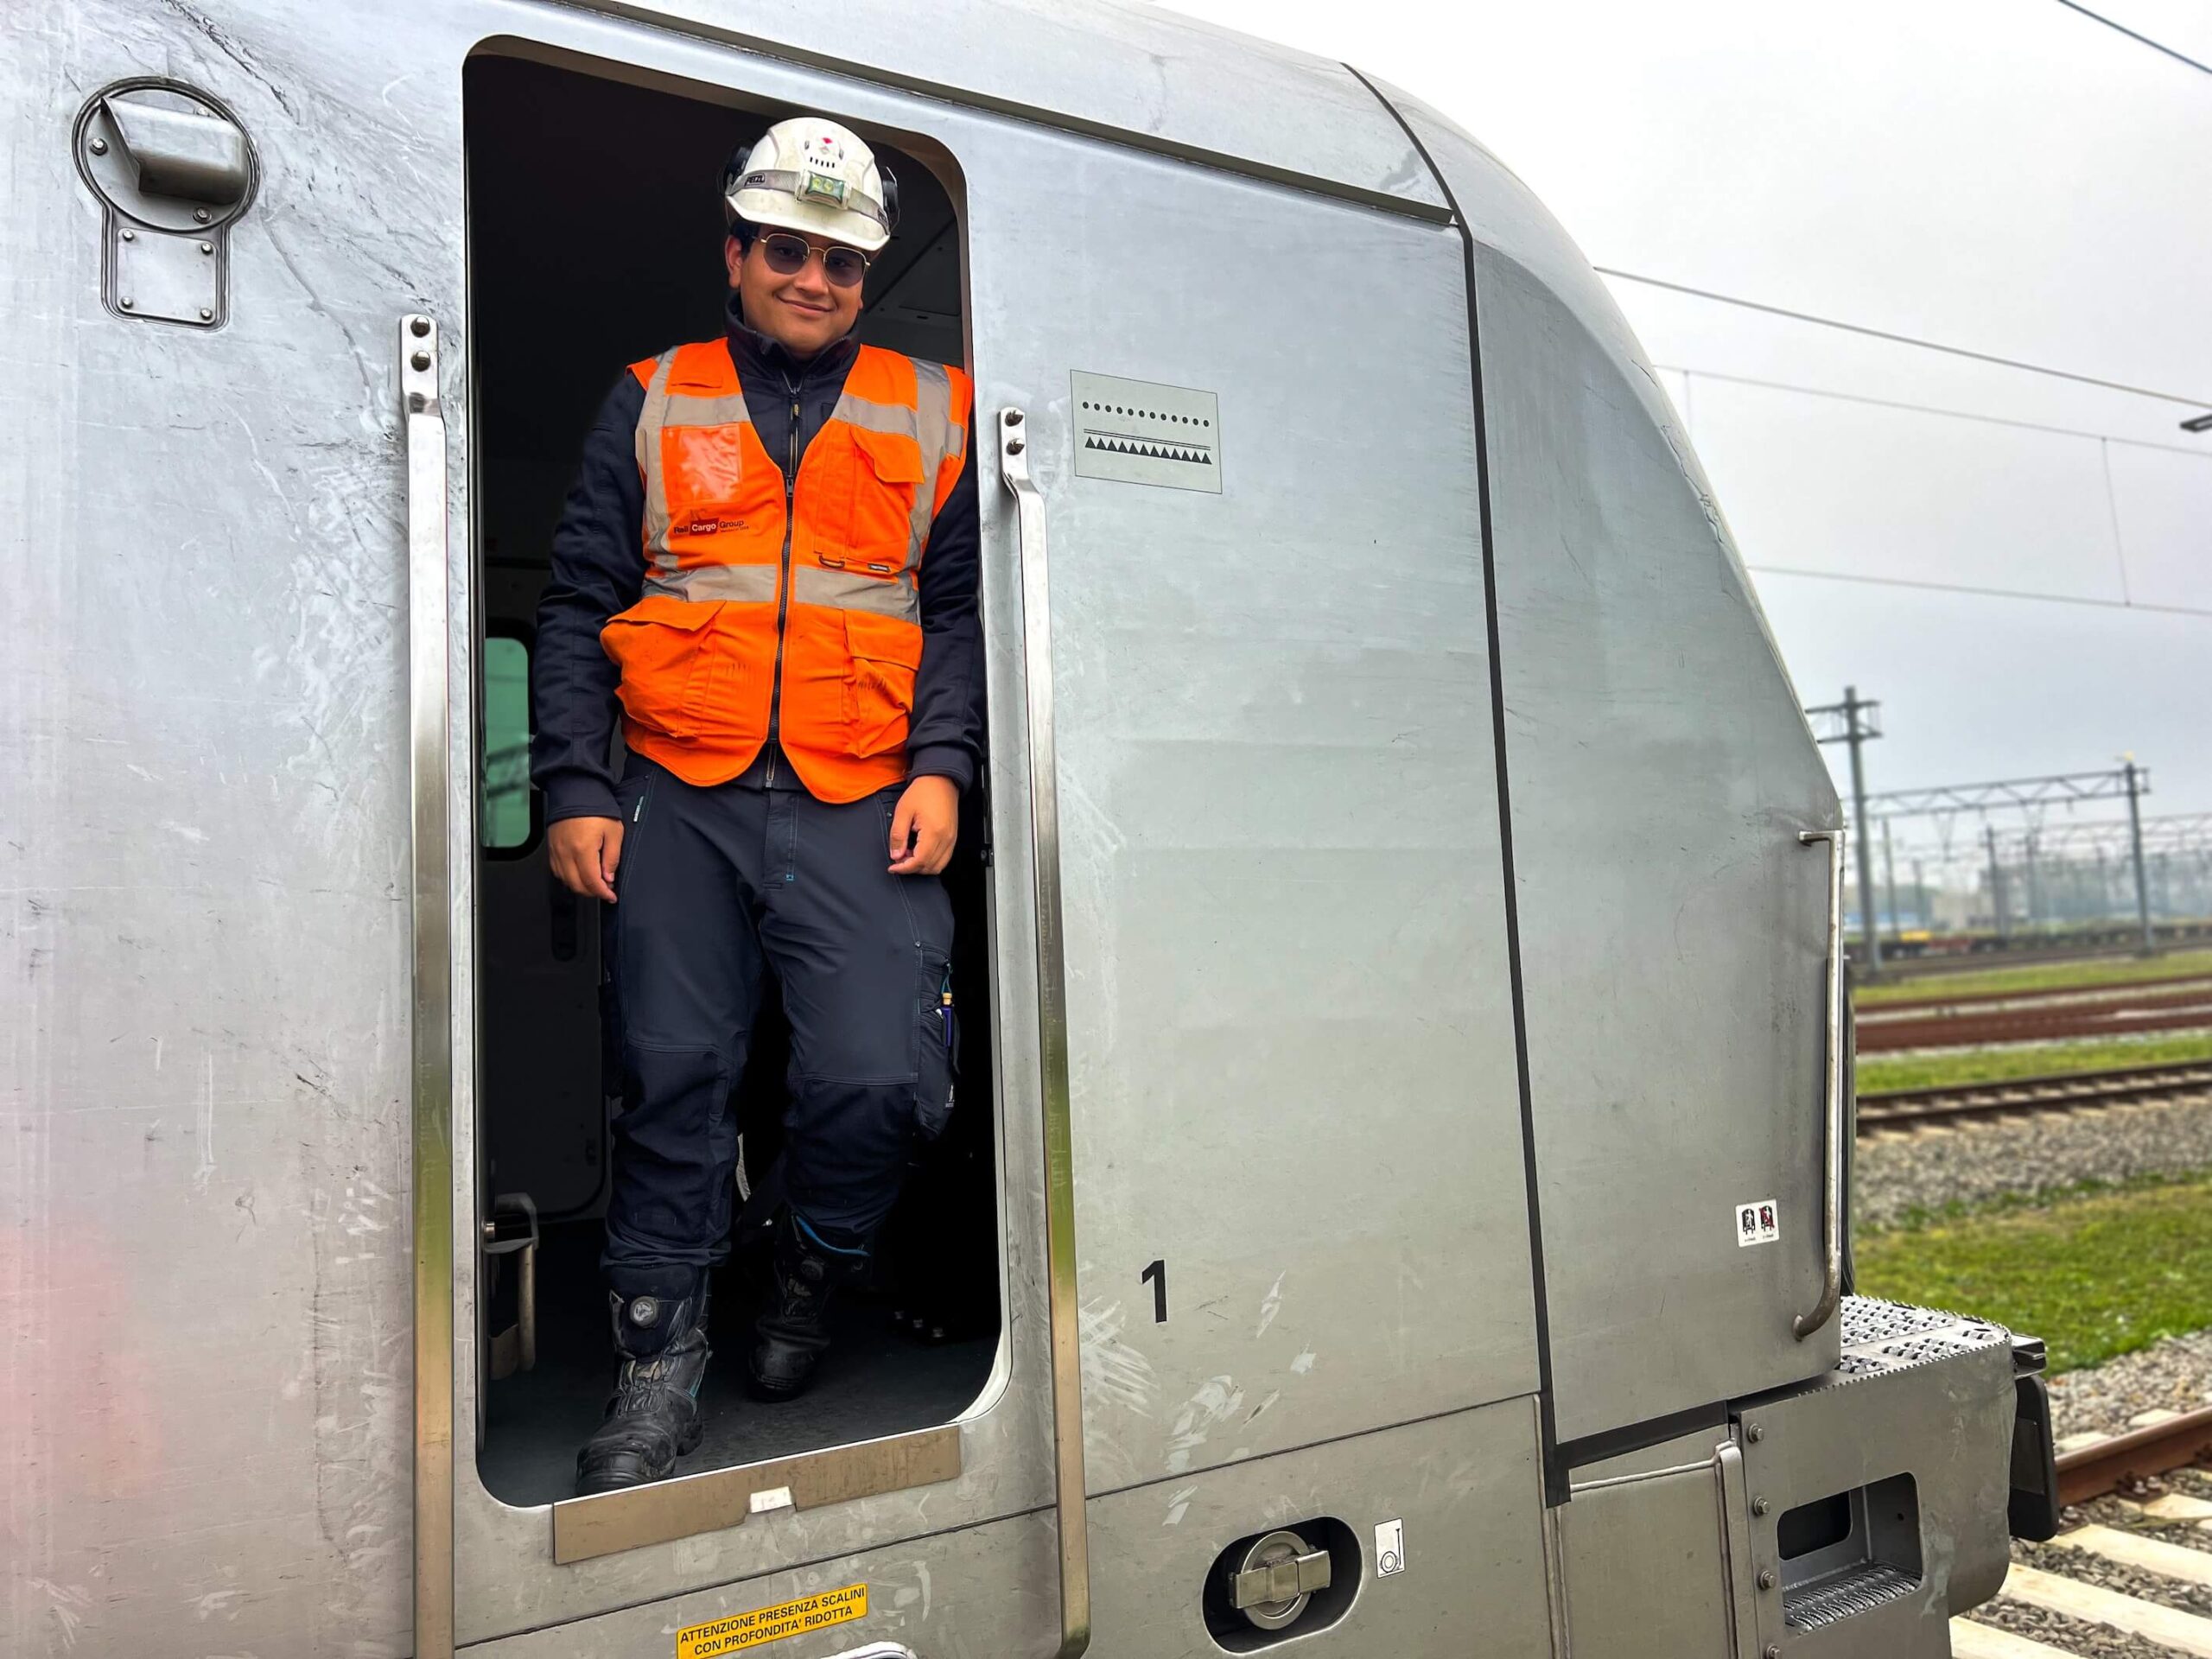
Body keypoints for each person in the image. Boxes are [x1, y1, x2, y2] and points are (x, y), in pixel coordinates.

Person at [531, 115, 980, 1496]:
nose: (816, 279)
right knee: (673, 1080)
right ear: (737, 254)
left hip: (864, 794)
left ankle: (800, 1266)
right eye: (789, 250)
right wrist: (574, 784)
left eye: (843, 262)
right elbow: (577, 606)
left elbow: (963, 617)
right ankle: (658, 1373)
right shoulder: (653, 395)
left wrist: (946, 766)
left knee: (886, 1080)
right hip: (678, 790)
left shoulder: (938, 407)